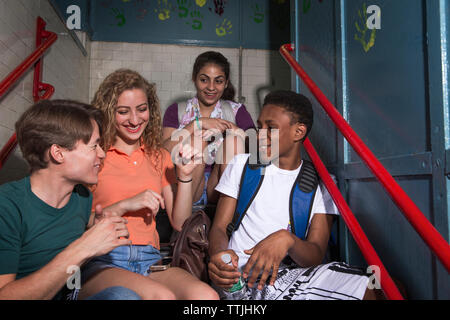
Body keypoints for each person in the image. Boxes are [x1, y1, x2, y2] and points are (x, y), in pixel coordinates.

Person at [208, 90, 382, 300]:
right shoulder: (242, 164)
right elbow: (219, 227)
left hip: (292, 275)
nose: (260, 134)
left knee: (382, 287)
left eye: (270, 128)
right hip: (243, 278)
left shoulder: (320, 183)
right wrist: (219, 255)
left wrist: (287, 240)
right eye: (259, 125)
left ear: (299, 132)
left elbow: (315, 254)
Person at [79, 69, 219, 300]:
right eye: (123, 112)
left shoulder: (158, 156)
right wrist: (125, 205)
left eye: (142, 109)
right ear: (107, 112)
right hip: (104, 259)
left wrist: (185, 176)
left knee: (206, 296)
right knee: (160, 297)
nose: (135, 120)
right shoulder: (95, 156)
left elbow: (180, 222)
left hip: (149, 259)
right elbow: (77, 224)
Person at [0, 99, 140, 300]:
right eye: (94, 146)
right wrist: (84, 247)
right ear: (58, 153)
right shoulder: (7, 206)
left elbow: (59, 224)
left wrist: (95, 225)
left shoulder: (82, 197)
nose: (102, 154)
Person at [162, 51, 255, 208]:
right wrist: (196, 125)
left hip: (219, 188)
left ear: (226, 83)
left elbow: (258, 149)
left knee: (234, 139)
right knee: (196, 140)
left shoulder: (236, 111)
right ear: (194, 79)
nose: (211, 87)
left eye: (218, 81)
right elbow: (162, 153)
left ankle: (226, 213)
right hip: (186, 185)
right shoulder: (177, 110)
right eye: (204, 80)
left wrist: (233, 129)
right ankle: (184, 212)